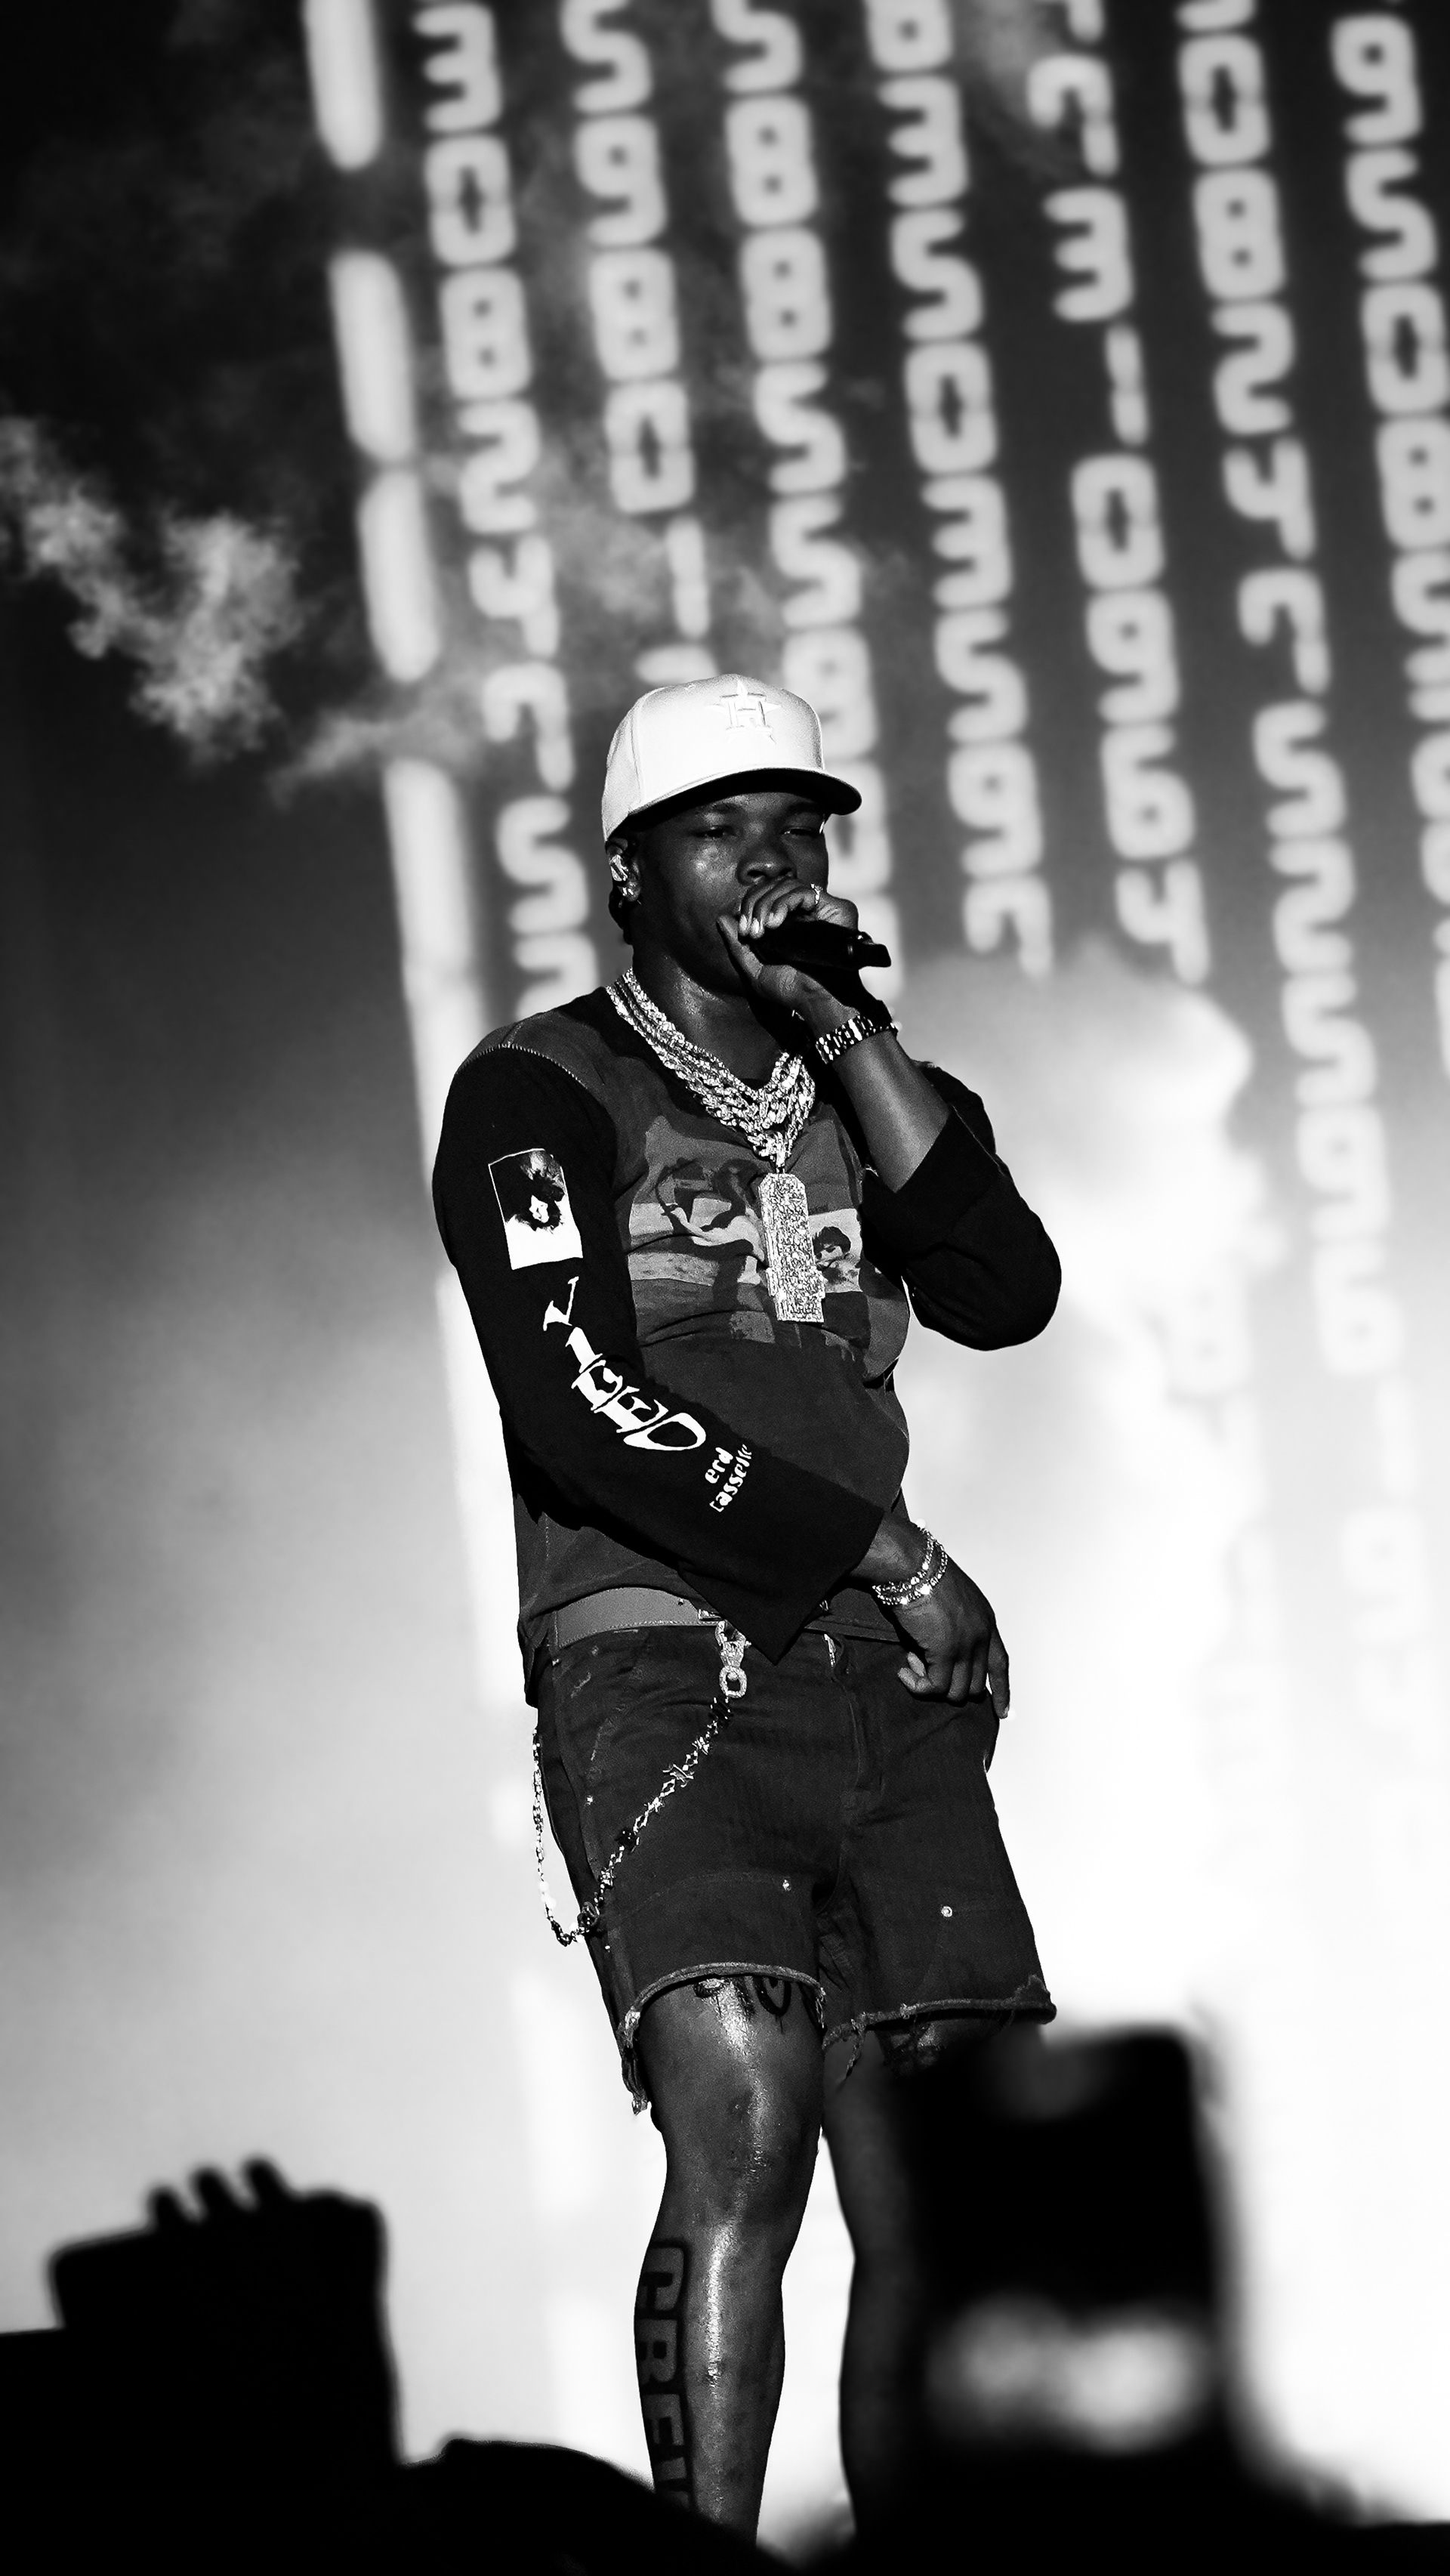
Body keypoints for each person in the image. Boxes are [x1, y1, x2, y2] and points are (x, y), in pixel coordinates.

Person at [432, 674, 1061, 2541]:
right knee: (750, 2135)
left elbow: (1004, 1288)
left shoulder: (865, 1088)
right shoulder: (538, 1088)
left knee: (947, 2190)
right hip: (665, 1657)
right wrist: (889, 1553)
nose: (772, 861)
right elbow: (573, 1397)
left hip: (889, 1689)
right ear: (631, 872)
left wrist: (849, 1028)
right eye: (722, 832)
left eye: (800, 828)